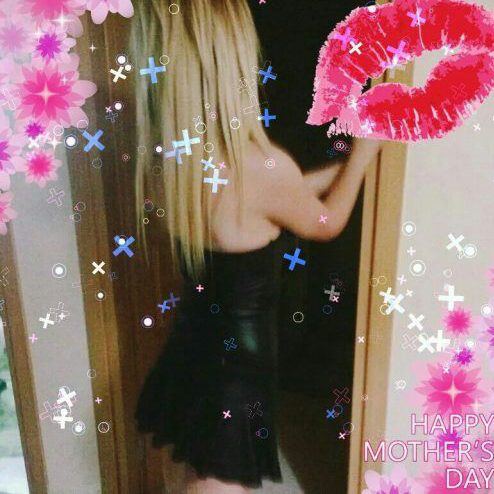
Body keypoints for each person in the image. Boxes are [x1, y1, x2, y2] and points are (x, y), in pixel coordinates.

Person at [130, 1, 380, 492]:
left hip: (193, 346)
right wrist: (363, 155)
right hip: (236, 366)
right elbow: (324, 223)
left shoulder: (173, 162)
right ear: (234, 65)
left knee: (187, 471)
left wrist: (336, 170)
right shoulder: (259, 168)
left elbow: (274, 202)